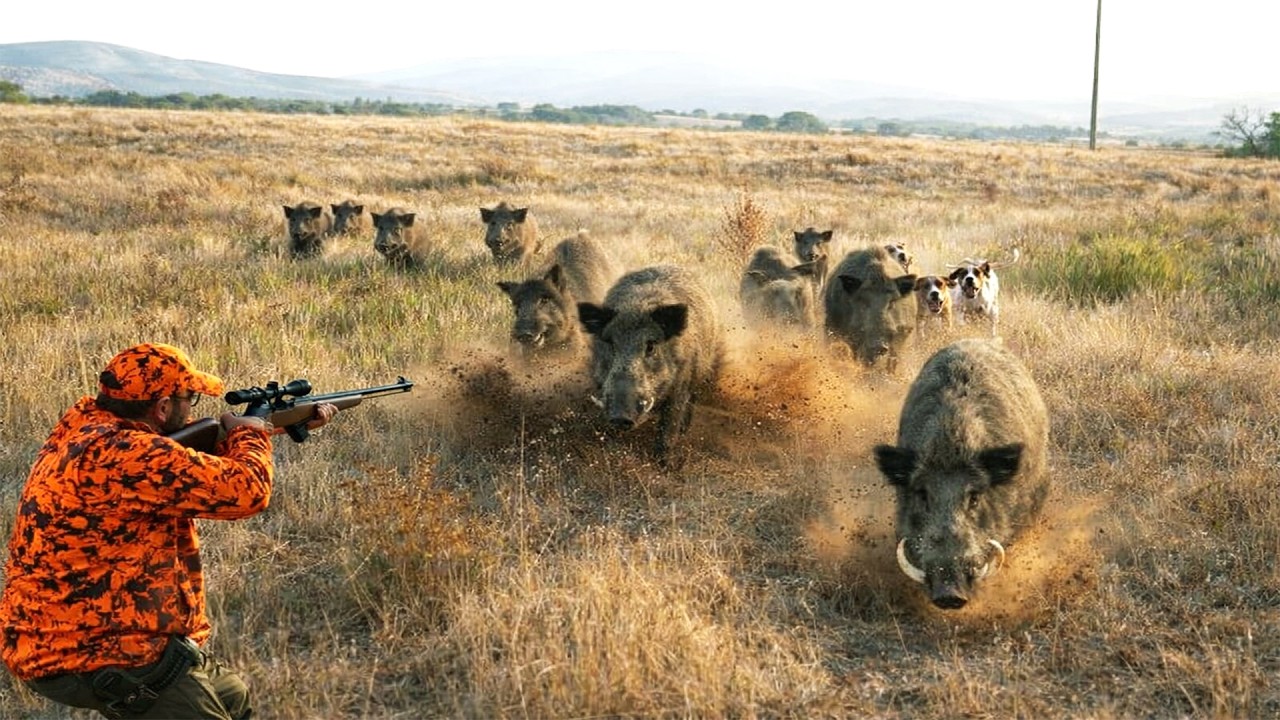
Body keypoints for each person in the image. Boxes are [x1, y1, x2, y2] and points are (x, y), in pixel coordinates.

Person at [0, 343, 337, 719]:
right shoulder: (128, 454)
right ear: (162, 407)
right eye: (189, 398)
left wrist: (267, 427)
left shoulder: (86, 428)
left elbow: (176, 469)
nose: (192, 407)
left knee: (232, 697)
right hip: (94, 650)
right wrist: (251, 435)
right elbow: (247, 492)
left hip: (64, 631)